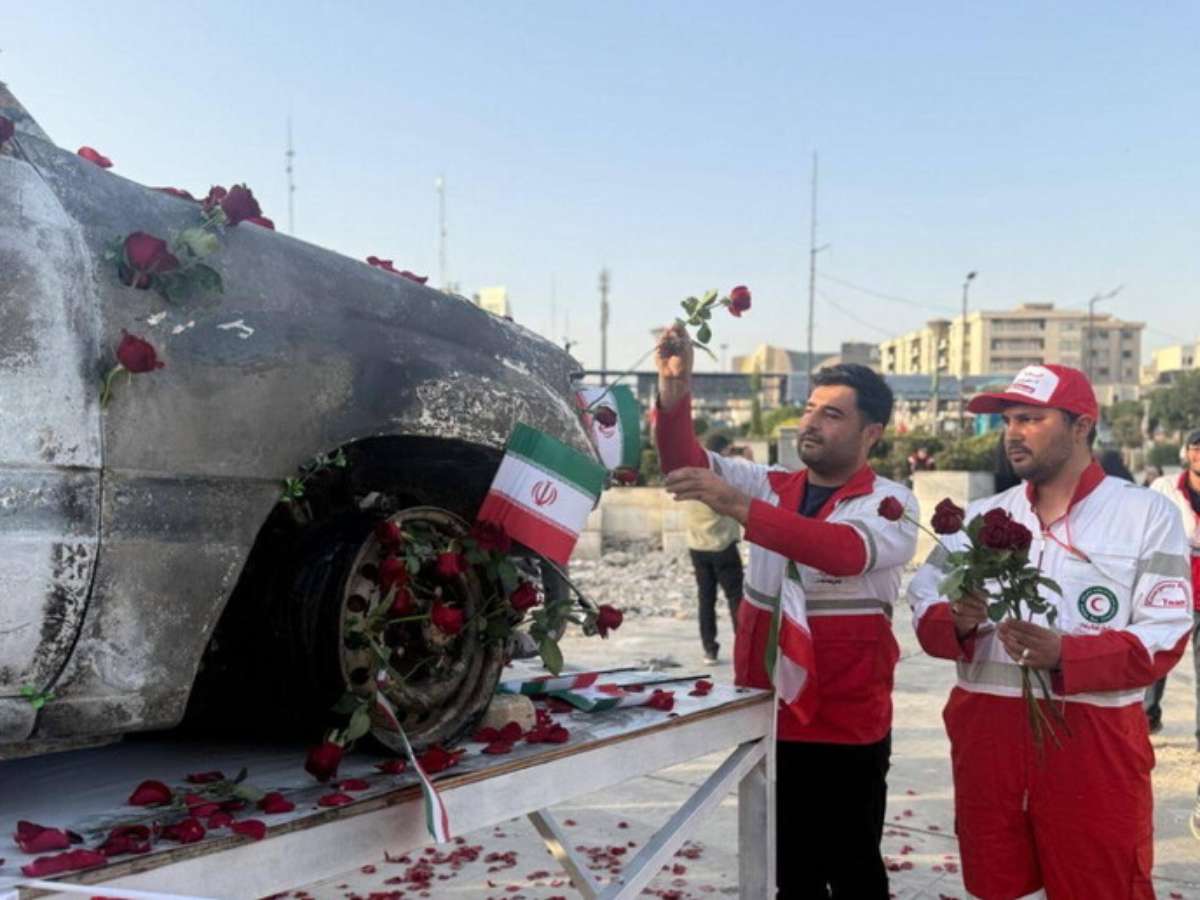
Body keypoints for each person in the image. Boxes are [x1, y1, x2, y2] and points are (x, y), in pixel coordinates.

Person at [906, 364, 1193, 899]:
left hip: (1092, 742)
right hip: (987, 740)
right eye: (1008, 420)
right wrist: (957, 620)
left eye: (1030, 419)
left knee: (1101, 886)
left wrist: (1067, 654)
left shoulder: (1144, 515)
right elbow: (923, 601)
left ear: (1081, 426)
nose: (1013, 433)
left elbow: (1167, 632)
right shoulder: (983, 518)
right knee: (997, 886)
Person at [654, 323, 917, 899]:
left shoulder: (891, 503)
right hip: (774, 708)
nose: (811, 423)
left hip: (846, 721)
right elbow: (683, 463)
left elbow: (841, 550)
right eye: (809, 409)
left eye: (832, 414)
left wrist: (739, 506)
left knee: (853, 870)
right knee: (791, 873)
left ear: (872, 432)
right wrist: (674, 394)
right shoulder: (772, 484)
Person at [1144, 429, 1200, 741]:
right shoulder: (1165, 488)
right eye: (1195, 448)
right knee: (1159, 653)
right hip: (1170, 584)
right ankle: (1147, 716)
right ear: (1186, 452)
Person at [684, 433, 745, 664]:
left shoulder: (691, 477)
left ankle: (709, 649)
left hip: (697, 545)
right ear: (724, 451)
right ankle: (743, 647)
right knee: (736, 598)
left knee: (706, 598)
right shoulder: (719, 479)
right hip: (723, 545)